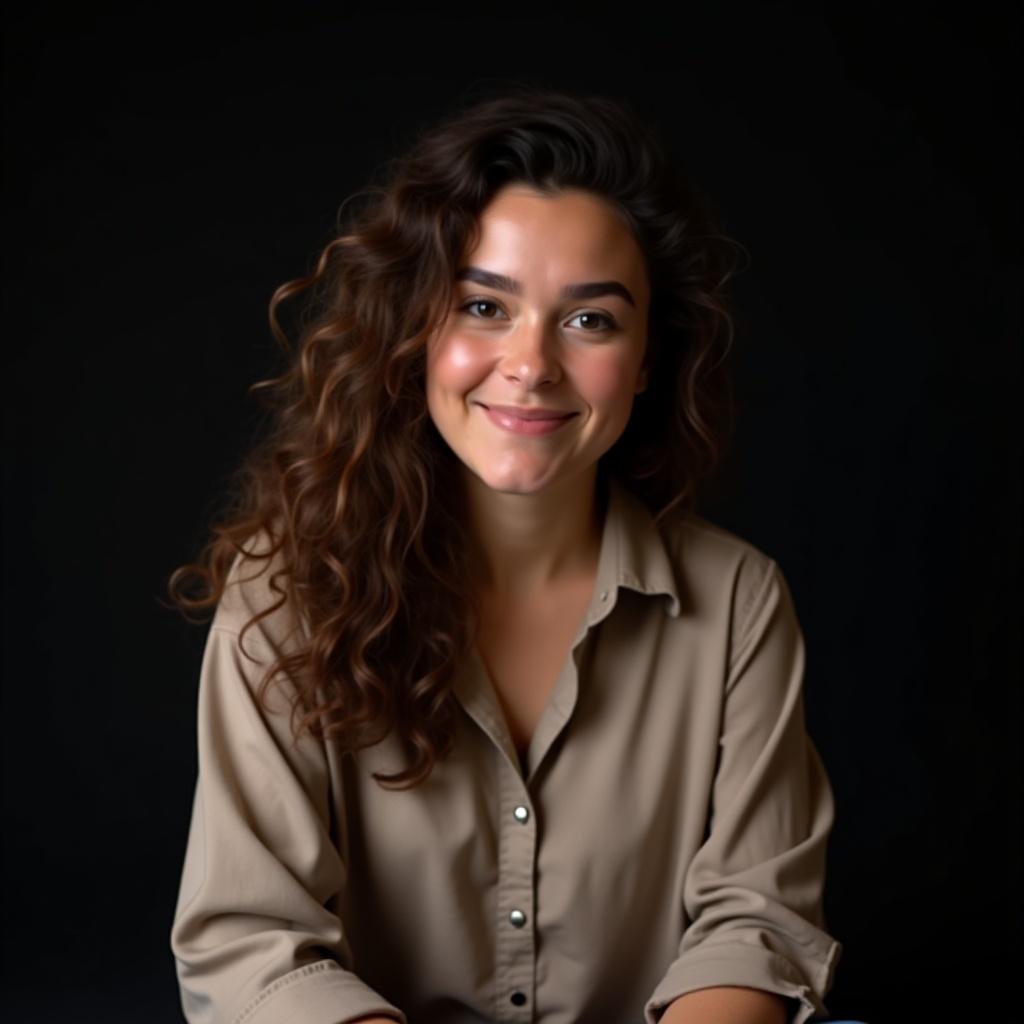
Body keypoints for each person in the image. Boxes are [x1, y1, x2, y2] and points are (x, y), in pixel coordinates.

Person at [167, 85, 844, 1024]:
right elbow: (254, 946)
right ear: (418, 330)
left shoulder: (737, 601)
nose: (530, 365)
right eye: (484, 305)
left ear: (646, 359)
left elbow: (754, 926)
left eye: (590, 319)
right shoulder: (288, 592)